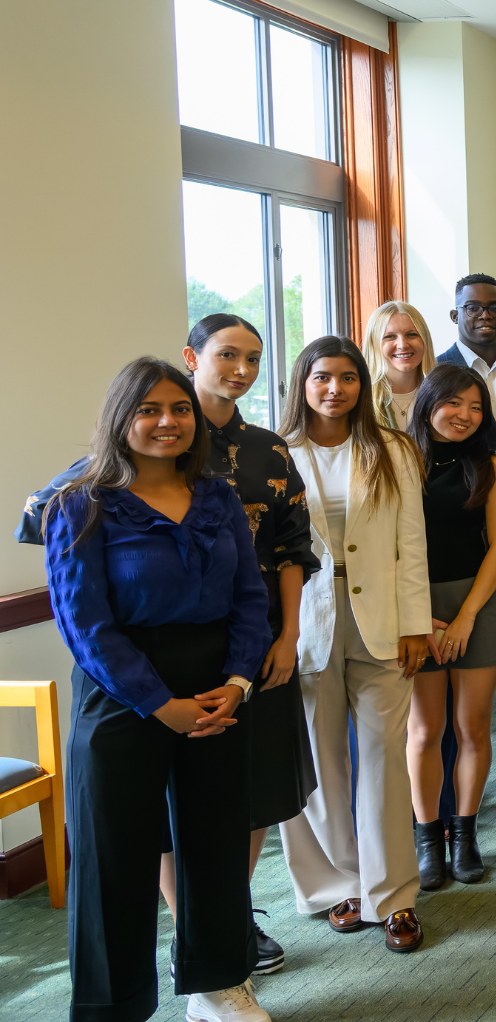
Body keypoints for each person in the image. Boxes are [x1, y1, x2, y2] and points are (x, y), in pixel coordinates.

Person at [46, 358, 273, 1022]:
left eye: (179, 408)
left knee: (216, 843)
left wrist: (237, 681)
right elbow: (85, 622)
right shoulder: (77, 502)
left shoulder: (218, 494)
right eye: (148, 409)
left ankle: (219, 985)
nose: (167, 422)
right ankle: (112, 1007)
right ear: (121, 418)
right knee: (113, 855)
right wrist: (160, 704)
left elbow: (250, 598)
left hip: (217, 686)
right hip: (120, 691)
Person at [155, 316, 318, 979]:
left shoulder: (269, 449)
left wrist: (289, 635)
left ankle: (233, 907)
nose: (241, 369)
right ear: (192, 355)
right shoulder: (157, 437)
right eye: (227, 355)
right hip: (172, 646)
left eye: (252, 357)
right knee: (176, 793)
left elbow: (291, 550)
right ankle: (190, 920)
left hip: (256, 643)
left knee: (253, 785)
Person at [279, 337, 430, 952]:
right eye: (322, 378)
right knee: (318, 763)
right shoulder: (276, 452)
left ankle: (393, 896)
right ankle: (338, 883)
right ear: (303, 384)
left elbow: (412, 543)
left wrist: (417, 622)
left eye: (347, 377)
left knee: (383, 759)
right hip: (306, 617)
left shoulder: (392, 449)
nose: (335, 389)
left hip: (383, 618)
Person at [403, 365, 496, 889]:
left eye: (476, 407)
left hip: (478, 600)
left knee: (472, 729)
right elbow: (387, 546)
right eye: (454, 404)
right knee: (426, 731)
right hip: (414, 606)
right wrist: (419, 616)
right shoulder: (398, 459)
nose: (465, 416)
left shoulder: (490, 465)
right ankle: (428, 840)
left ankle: (465, 834)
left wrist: (468, 614)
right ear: (428, 403)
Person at [436, 274, 496, 412]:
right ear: (455, 316)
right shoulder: (435, 370)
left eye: (494, 308)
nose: (485, 315)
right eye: (473, 308)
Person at [363, 301, 437, 431]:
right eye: (390, 336)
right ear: (374, 344)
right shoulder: (361, 400)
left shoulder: (443, 395)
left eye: (411, 334)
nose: (402, 345)